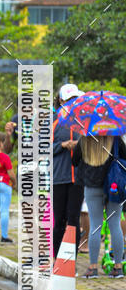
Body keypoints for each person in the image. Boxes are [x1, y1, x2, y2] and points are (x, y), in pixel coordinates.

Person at [71, 134, 126, 279]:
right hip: (113, 185)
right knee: (115, 226)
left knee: (95, 225)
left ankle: (93, 268)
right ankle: (118, 267)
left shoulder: (85, 138)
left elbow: (74, 161)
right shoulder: (115, 138)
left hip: (92, 186)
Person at [52, 84, 84, 259]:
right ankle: (56, 259)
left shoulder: (83, 123)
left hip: (78, 179)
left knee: (73, 221)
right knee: (59, 222)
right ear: (61, 100)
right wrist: (62, 145)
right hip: (59, 178)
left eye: (75, 100)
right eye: (70, 100)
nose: (73, 103)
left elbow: (91, 146)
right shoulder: (53, 121)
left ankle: (71, 260)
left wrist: (80, 146)